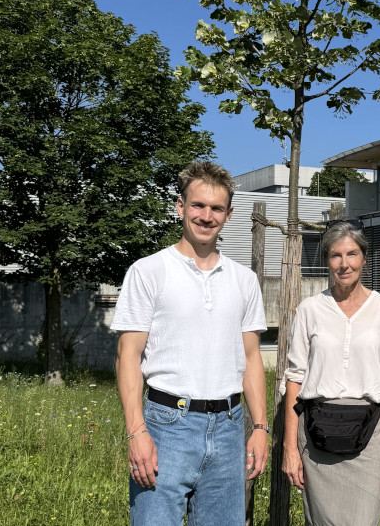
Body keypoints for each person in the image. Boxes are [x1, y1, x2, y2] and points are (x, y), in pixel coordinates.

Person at [112, 160, 269, 525]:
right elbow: (128, 356)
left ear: (228, 215)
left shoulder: (244, 280)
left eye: (216, 208)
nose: (206, 216)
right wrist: (136, 432)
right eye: (198, 205)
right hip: (167, 427)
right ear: (180, 207)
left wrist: (260, 428)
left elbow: (251, 357)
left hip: (230, 428)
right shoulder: (148, 271)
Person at [281, 220, 380, 526]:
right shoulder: (309, 309)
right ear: (326, 260)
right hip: (315, 432)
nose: (344, 263)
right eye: (336, 255)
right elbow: (294, 377)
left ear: (364, 257)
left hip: (371, 430)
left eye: (352, 254)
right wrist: (289, 448)